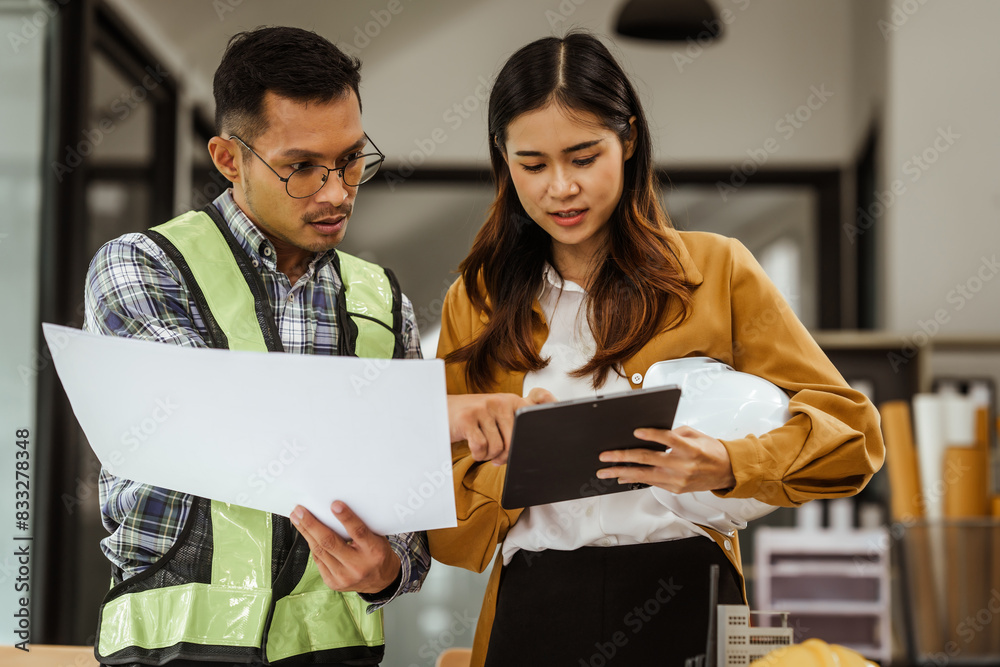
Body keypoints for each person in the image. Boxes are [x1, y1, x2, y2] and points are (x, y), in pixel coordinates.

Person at [84, 26, 545, 667]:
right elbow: (201, 420)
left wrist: (387, 570)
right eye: (301, 167)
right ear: (227, 158)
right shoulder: (143, 267)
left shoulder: (381, 300)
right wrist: (433, 417)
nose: (337, 191)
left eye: (352, 159)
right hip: (174, 649)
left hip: (334, 653)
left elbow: (407, 531)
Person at [426, 32, 885, 666]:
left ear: (630, 140)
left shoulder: (718, 270)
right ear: (503, 160)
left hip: (687, 590)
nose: (560, 188)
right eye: (532, 165)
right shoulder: (474, 300)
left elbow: (853, 437)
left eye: (584, 157)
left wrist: (730, 464)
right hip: (537, 602)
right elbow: (437, 510)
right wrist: (520, 468)